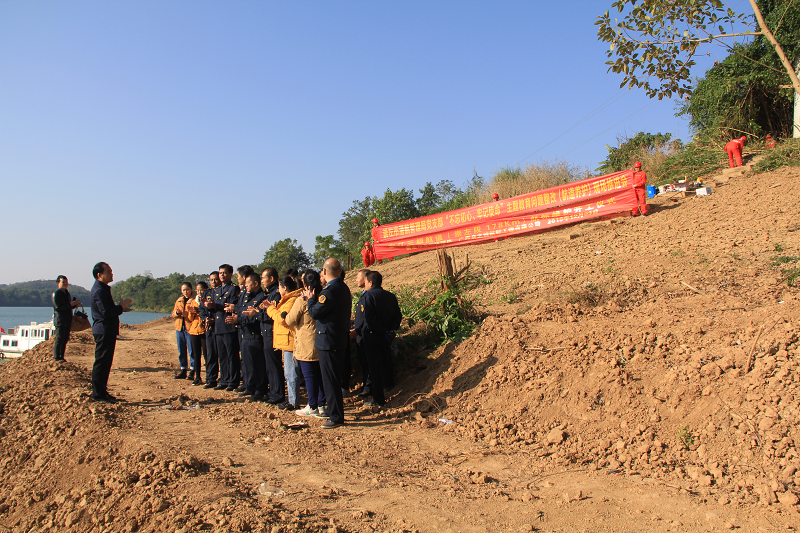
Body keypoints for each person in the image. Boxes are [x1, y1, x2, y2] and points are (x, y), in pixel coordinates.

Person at [303, 258, 352, 429]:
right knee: (333, 379)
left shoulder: (330, 291)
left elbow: (315, 313)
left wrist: (310, 299)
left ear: (324, 271)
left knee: (330, 380)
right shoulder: (343, 287)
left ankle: (336, 416)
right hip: (337, 338)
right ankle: (334, 412)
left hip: (329, 341)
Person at [355, 271, 402, 409]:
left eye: (366, 282)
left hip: (372, 336)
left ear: (370, 283)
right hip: (386, 337)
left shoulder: (368, 296)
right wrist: (390, 330)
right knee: (386, 361)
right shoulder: (390, 296)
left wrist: (381, 330)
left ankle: (378, 398)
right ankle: (389, 385)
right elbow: (398, 315)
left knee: (374, 367)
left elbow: (369, 318)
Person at [90, 262, 132, 403]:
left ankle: (102, 391)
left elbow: (107, 309)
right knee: (102, 362)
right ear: (99, 275)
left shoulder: (102, 289)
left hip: (106, 330)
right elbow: (106, 312)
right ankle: (98, 394)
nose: (111, 274)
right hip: (103, 330)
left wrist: (120, 308)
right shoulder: (99, 291)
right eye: (108, 271)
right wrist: (120, 306)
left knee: (106, 363)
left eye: (111, 271)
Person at [288, 270, 325, 417]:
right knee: (320, 375)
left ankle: (312, 405)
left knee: (309, 376)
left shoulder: (302, 300)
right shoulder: (323, 296)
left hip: (306, 343)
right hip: (321, 341)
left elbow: (290, 320)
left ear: (304, 284)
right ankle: (321, 404)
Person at [265, 276, 302, 410]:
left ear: (284, 287)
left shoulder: (291, 301)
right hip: (287, 341)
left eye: (279, 288)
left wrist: (270, 309)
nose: (278, 291)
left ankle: (293, 402)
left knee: (291, 373)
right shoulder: (286, 300)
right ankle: (292, 400)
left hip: (290, 341)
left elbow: (283, 319)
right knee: (289, 372)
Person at [205, 264, 240, 392]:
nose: (222, 275)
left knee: (231, 355)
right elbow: (215, 308)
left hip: (228, 325)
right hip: (218, 326)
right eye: (220, 273)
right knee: (222, 356)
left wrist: (215, 306)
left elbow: (231, 305)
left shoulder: (233, 289)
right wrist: (209, 307)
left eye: (224, 273)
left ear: (230, 274)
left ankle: (233, 381)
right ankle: (224, 379)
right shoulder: (217, 290)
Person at [237, 273, 269, 400]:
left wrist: (239, 319)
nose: (245, 285)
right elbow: (241, 311)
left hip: (255, 334)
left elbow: (255, 317)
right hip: (245, 333)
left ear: (255, 283)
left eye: (247, 283)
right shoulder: (247, 296)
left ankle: (260, 389)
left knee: (257, 364)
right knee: (247, 363)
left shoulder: (261, 297)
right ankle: (250, 386)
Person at [255, 268, 285, 405]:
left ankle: (278, 394)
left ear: (271, 278)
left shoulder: (275, 295)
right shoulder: (267, 294)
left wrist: (256, 314)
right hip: (266, 333)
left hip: (271, 333)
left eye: (263, 278)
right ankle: (272, 392)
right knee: (269, 365)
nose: (262, 280)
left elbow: (270, 315)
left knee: (274, 365)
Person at [349, 269, 372, 397]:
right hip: (360, 335)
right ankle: (365, 386)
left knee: (368, 363)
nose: (356, 279)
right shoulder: (364, 294)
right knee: (363, 363)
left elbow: (367, 318)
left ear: (365, 279)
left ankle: (368, 388)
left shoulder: (369, 295)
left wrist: (358, 330)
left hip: (365, 335)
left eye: (358, 277)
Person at [52, 275, 81, 362]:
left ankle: (61, 356)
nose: (65, 284)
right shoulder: (56, 294)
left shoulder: (67, 293)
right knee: (59, 339)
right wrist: (70, 304)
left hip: (67, 320)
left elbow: (67, 307)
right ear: (58, 283)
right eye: (63, 282)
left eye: (66, 282)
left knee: (65, 339)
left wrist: (75, 305)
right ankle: (56, 358)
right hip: (60, 320)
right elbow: (57, 307)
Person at [199, 272, 220, 388]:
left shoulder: (222, 292)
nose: (213, 282)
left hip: (220, 326)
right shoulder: (207, 293)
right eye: (211, 280)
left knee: (222, 355)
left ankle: (224, 378)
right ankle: (210, 378)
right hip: (209, 328)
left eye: (215, 279)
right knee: (210, 354)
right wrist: (205, 318)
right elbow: (202, 309)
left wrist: (214, 319)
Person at [172, 282, 195, 380]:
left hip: (190, 328)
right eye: (183, 290)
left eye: (187, 289)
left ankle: (193, 370)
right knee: (181, 349)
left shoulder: (194, 300)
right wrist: (177, 313)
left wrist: (187, 314)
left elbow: (196, 314)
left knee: (191, 350)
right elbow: (173, 314)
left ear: (191, 289)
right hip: (179, 327)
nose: (185, 292)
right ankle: (183, 369)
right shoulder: (179, 300)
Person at [187, 282, 207, 386]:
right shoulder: (193, 302)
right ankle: (197, 377)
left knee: (207, 354)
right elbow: (190, 318)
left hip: (204, 330)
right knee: (196, 354)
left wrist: (199, 310)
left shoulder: (207, 301)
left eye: (201, 290)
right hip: (194, 330)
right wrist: (192, 312)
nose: (199, 292)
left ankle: (209, 377)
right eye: (197, 290)